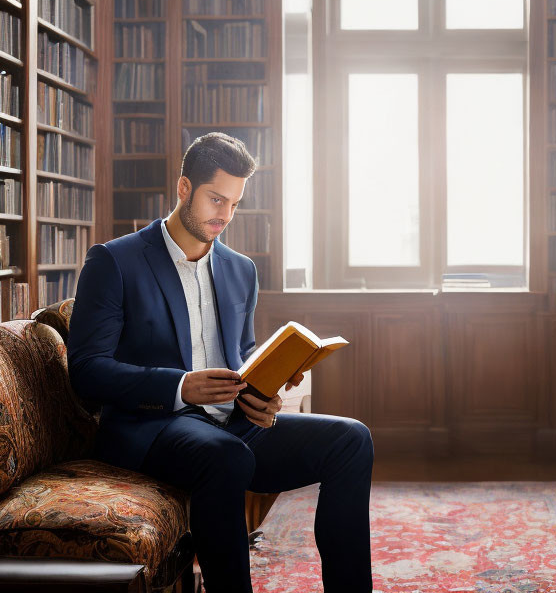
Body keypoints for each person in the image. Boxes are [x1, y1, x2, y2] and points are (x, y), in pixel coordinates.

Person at [67, 132, 374, 592]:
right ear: (184, 188)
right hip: (154, 428)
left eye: (234, 204)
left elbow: (241, 354)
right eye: (216, 199)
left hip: (232, 423)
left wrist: (264, 389)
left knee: (352, 439)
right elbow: (87, 371)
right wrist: (180, 386)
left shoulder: (240, 269)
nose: (224, 216)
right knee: (226, 457)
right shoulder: (114, 261)